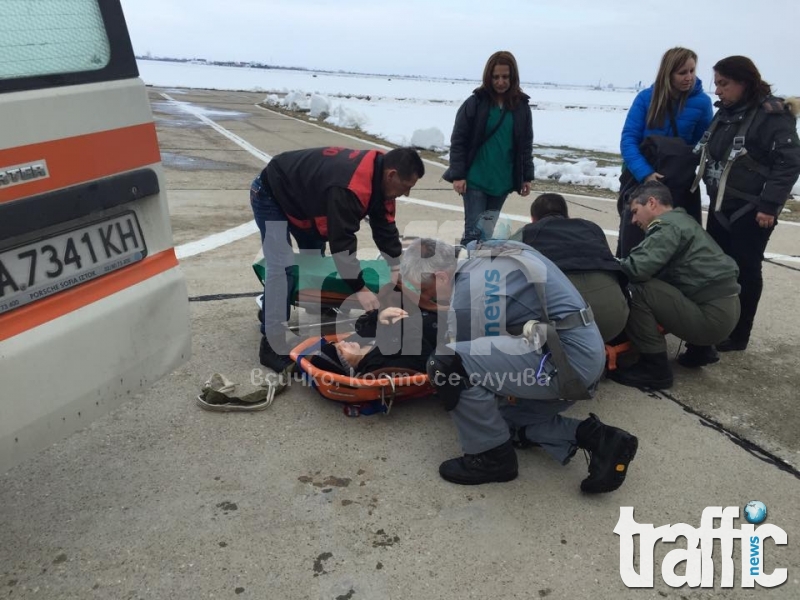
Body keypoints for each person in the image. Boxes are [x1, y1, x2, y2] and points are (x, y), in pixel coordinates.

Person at [400, 238, 638, 492]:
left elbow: (458, 359)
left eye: (430, 294)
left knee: (446, 365)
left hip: (567, 363)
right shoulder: (484, 249)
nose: (433, 300)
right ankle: (599, 438)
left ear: (441, 277)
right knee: (498, 423)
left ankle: (492, 458)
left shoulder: (472, 292)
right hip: (577, 348)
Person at [250, 146, 425, 372]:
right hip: (272, 193)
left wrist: (394, 265)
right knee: (282, 266)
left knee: (313, 256)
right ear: (391, 175)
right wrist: (360, 288)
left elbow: (384, 226)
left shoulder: (381, 177)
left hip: (305, 197)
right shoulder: (350, 186)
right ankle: (271, 343)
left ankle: (297, 305)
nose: (406, 194)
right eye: (406, 187)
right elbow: (342, 243)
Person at [695, 56, 800, 352]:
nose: (718, 91)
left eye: (723, 84)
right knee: (718, 269)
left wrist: (769, 205)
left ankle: (739, 335)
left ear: (744, 82)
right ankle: (718, 323)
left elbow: (789, 163)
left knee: (746, 270)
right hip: (720, 205)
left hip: (753, 211)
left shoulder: (773, 116)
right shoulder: (726, 113)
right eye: (716, 84)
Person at [608, 182, 741, 389]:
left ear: (651, 203)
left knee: (638, 290)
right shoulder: (683, 220)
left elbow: (636, 269)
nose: (633, 220)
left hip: (712, 319)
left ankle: (654, 368)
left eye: (635, 212)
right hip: (727, 310)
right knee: (666, 283)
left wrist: (605, 263)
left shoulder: (666, 227)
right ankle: (701, 351)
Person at [618, 47, 713, 257]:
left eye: (692, 71)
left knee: (678, 240)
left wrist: (682, 166)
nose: (689, 77)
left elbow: (702, 144)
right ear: (667, 74)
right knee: (634, 238)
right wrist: (645, 174)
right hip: (642, 178)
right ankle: (628, 284)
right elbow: (628, 140)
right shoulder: (646, 98)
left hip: (678, 180)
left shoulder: (702, 102)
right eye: (682, 73)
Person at [447, 50, 534, 246]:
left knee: (486, 234)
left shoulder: (521, 107)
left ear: (513, 77)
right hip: (476, 179)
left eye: (505, 77)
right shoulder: (475, 103)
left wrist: (526, 176)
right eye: (495, 77)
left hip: (501, 181)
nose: (500, 82)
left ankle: (479, 271)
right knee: (473, 233)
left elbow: (525, 144)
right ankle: (466, 273)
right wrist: (458, 175)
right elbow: (459, 140)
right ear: (488, 77)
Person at [519, 193, 629, 343]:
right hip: (615, 321)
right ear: (567, 215)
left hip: (566, 328)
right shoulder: (592, 228)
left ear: (533, 219)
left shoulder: (527, 233)